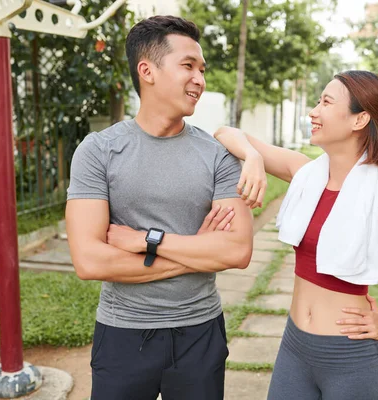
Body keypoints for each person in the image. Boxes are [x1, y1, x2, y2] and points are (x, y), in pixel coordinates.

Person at [214, 70, 378, 400]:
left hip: (351, 360)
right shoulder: (303, 172)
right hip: (294, 349)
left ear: (359, 119)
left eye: (326, 102)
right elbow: (225, 132)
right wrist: (253, 157)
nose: (313, 111)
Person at [66, 15, 254, 400]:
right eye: (188, 66)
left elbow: (236, 251)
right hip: (122, 335)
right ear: (147, 70)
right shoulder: (98, 151)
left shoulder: (219, 157)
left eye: (202, 69)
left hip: (200, 334)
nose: (199, 79)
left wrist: (145, 240)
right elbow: (90, 262)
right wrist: (198, 253)